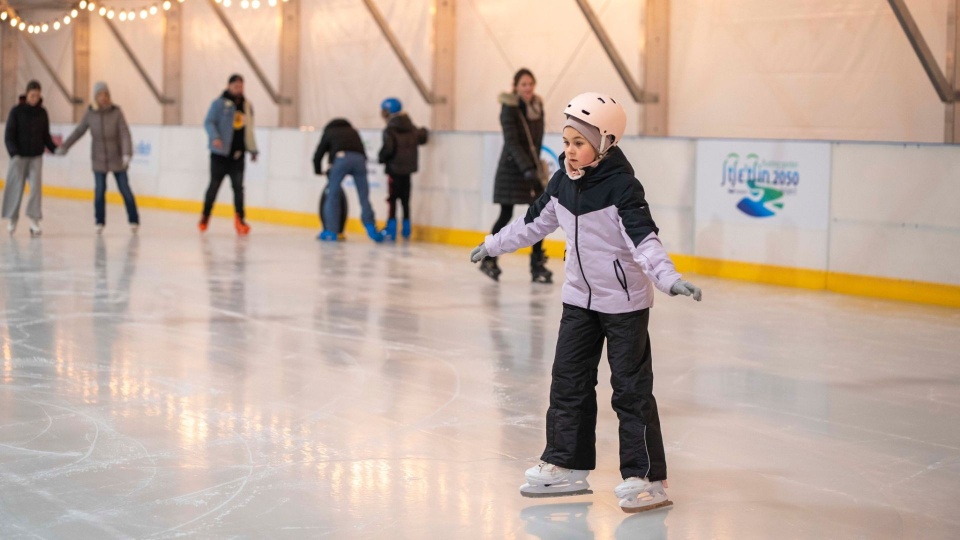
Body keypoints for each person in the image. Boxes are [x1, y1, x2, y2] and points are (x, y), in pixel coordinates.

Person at [470, 92, 704, 513]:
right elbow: (530, 224)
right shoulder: (561, 182)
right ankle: (566, 465)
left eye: (579, 142)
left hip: (623, 304)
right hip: (579, 299)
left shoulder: (622, 187)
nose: (570, 151)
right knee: (568, 381)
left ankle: (646, 475)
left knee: (630, 390)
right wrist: (492, 245)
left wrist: (669, 280)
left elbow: (644, 241)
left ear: (605, 142)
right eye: (566, 141)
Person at [480, 68, 552, 283]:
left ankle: (537, 264)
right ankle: (488, 257)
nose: (528, 88)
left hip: (531, 168)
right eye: (523, 84)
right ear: (516, 86)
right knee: (505, 214)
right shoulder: (509, 108)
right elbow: (512, 142)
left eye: (530, 84)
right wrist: (526, 168)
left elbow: (536, 142)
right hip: (512, 169)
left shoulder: (537, 107)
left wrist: (535, 168)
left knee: (539, 217)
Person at [58, 81, 140, 234]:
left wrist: (127, 153)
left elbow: (124, 133)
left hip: (116, 158)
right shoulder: (90, 114)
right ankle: (99, 221)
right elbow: (79, 131)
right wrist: (65, 146)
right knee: (100, 190)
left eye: (105, 95)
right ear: (95, 97)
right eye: (100, 95)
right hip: (99, 159)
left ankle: (134, 219)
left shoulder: (116, 112)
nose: (103, 98)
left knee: (125, 189)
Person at [200, 74, 258, 235]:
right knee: (214, 186)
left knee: (239, 189)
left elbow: (249, 129)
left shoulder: (247, 106)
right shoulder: (219, 104)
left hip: (238, 155)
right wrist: (215, 137)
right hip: (220, 155)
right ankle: (205, 215)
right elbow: (208, 122)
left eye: (241, 86)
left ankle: (240, 220)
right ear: (229, 86)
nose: (239, 89)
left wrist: (252, 149)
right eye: (236, 86)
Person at [3, 80, 58, 236]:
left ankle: (34, 220)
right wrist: (14, 154)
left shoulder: (42, 113)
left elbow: (46, 136)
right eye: (32, 95)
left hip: (35, 157)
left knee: (35, 189)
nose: (35, 98)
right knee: (16, 188)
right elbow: (9, 136)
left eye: (37, 95)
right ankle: (13, 218)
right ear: (27, 94)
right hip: (18, 157)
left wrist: (55, 149)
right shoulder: (16, 111)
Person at [313, 118, 382, 243]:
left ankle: (331, 231)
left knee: (332, 195)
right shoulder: (353, 131)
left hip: (341, 159)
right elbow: (361, 149)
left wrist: (317, 170)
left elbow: (319, 153)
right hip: (360, 160)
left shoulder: (330, 132)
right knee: (364, 197)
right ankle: (371, 227)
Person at [377, 97, 428, 241]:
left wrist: (381, 157)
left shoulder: (390, 129)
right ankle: (406, 229)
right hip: (408, 169)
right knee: (405, 199)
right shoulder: (411, 126)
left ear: (387, 112)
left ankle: (391, 229)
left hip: (394, 169)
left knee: (392, 199)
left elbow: (388, 148)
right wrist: (424, 130)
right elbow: (422, 137)